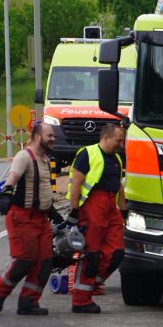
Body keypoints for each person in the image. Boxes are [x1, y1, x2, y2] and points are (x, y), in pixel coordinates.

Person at [0, 123, 59, 315]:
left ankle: (28, 302)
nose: (53, 139)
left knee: (45, 263)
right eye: (49, 136)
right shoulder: (24, 156)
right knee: (25, 260)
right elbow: (12, 178)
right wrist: (5, 196)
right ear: (37, 137)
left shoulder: (45, 159)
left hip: (40, 219)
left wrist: (50, 209)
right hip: (22, 217)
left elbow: (40, 188)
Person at [67, 123, 127, 314]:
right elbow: (76, 182)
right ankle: (81, 300)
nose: (121, 144)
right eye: (118, 140)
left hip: (110, 207)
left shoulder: (116, 158)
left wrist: (124, 210)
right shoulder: (87, 154)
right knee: (92, 255)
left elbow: (119, 186)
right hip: (92, 207)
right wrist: (74, 211)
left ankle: (90, 285)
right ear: (106, 138)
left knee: (117, 253)